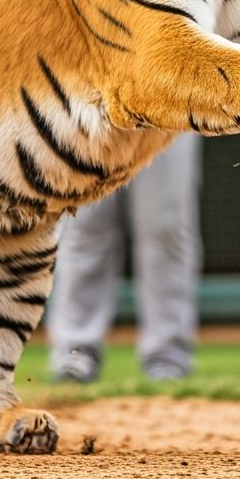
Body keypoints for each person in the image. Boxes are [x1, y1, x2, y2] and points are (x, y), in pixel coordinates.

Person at [47, 132, 203, 383]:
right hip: (90, 101)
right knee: (84, 225)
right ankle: (75, 349)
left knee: (165, 226)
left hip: (168, 101)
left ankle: (168, 354)